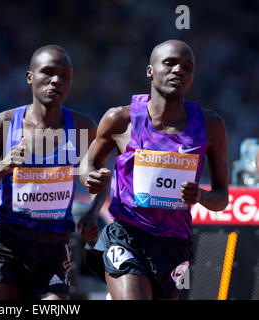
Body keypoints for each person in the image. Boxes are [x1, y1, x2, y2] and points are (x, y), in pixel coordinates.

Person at [79, 40, 229, 300]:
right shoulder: (120, 119)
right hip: (127, 235)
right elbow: (89, 163)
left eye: (188, 67)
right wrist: (90, 178)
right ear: (150, 71)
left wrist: (201, 196)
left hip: (174, 247)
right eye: (170, 63)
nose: (179, 71)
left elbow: (221, 197)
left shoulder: (211, 126)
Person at [0, 44, 104, 300]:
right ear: (30, 77)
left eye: (65, 75)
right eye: (48, 72)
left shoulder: (83, 128)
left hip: (55, 244)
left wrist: (93, 214)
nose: (56, 80)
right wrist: (4, 166)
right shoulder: (5, 124)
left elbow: (102, 179)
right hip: (7, 240)